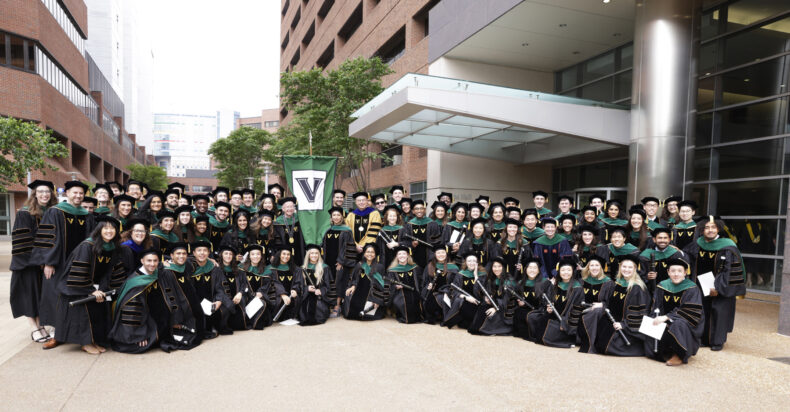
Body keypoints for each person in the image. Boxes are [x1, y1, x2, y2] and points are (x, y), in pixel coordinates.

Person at [31, 180, 95, 350]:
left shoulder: (86, 214)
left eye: (81, 193)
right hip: (58, 264)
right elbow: (47, 237)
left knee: (76, 298)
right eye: (75, 192)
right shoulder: (55, 212)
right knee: (55, 297)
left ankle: (74, 333)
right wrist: (48, 262)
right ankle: (57, 335)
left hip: (79, 264)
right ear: (67, 193)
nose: (78, 196)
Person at [52, 216, 127, 354]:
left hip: (97, 287)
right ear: (99, 229)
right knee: (85, 314)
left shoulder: (113, 248)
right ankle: (86, 343)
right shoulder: (88, 246)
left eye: (112, 228)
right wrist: (91, 290)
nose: (109, 231)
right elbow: (80, 270)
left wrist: (108, 289)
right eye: (106, 228)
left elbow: (113, 270)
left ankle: (94, 341)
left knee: (97, 313)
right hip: (79, 287)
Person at [109, 248, 199, 353]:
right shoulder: (136, 284)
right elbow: (132, 313)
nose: (152, 264)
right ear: (142, 261)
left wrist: (174, 319)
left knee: (189, 332)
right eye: (149, 261)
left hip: (157, 317)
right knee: (147, 343)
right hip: (143, 321)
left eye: (155, 261)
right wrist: (138, 336)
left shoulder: (157, 273)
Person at [683, 216, 745, 351]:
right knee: (702, 311)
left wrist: (718, 287)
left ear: (718, 229)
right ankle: (703, 339)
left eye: (713, 227)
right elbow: (687, 260)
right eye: (707, 227)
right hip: (699, 286)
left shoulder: (728, 247)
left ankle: (717, 341)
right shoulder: (697, 244)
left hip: (719, 288)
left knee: (719, 312)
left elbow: (730, 270)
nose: (710, 230)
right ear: (701, 230)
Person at [10, 180, 57, 343]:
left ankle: (41, 326)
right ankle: (34, 327)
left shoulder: (52, 212)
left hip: (44, 264)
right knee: (29, 296)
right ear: (35, 194)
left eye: (48, 191)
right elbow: (23, 242)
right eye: (41, 191)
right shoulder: (25, 213)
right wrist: (41, 261)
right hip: (28, 264)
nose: (45, 194)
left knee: (39, 296)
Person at [578, 255, 650, 356]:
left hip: (627, 327)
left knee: (606, 347)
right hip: (611, 321)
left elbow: (640, 313)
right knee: (599, 344)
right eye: (624, 267)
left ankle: (639, 348)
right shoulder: (617, 283)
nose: (626, 270)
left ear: (635, 269)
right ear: (620, 268)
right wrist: (602, 304)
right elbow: (610, 302)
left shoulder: (637, 288)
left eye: (630, 267)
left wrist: (624, 325)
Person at [647, 258, 704, 366]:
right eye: (673, 271)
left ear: (685, 273)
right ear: (668, 272)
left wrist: (667, 317)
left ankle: (680, 354)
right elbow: (656, 306)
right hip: (665, 322)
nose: (676, 274)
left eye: (679, 271)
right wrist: (656, 317)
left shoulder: (692, 288)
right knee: (652, 321)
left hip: (684, 327)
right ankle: (662, 351)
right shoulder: (662, 286)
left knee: (678, 323)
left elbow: (690, 311)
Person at [526, 257, 584, 348]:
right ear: (559, 272)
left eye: (568, 270)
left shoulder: (577, 288)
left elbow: (577, 310)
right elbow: (549, 301)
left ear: (573, 271)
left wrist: (565, 322)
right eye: (563, 270)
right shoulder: (556, 285)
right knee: (533, 317)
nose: (566, 272)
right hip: (554, 315)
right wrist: (549, 308)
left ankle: (569, 339)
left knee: (545, 335)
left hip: (566, 320)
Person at [161, 242, 204, 347]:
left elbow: (199, 260)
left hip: (191, 303)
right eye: (178, 253)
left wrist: (212, 260)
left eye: (184, 253)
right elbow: (169, 295)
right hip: (180, 307)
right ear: (171, 256)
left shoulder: (187, 265)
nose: (181, 256)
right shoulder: (167, 272)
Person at [321, 206, 357, 317]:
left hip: (341, 262)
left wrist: (341, 261)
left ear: (342, 217)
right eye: (334, 215)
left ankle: (337, 306)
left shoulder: (346, 230)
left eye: (338, 215)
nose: (336, 217)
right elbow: (323, 246)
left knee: (340, 282)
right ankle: (330, 304)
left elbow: (349, 247)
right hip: (328, 261)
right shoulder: (328, 230)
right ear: (331, 217)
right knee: (330, 282)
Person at [187, 240, 226, 339]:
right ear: (194, 253)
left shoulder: (214, 268)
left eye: (205, 250)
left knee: (222, 311)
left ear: (209, 253)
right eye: (199, 250)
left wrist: (219, 300)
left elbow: (220, 287)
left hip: (211, 300)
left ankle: (212, 326)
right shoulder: (188, 266)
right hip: (194, 301)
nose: (202, 253)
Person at [467, 256, 512, 336]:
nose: (496, 269)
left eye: (499, 266)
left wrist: (496, 308)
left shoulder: (509, 281)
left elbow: (507, 300)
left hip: (505, 308)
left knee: (483, 328)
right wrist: (476, 277)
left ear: (503, 268)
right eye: (494, 266)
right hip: (494, 304)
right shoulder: (491, 279)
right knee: (481, 310)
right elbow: (479, 292)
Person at [343, 243, 387, 320]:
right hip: (359, 291)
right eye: (367, 252)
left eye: (372, 252)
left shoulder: (379, 267)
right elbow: (354, 278)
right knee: (349, 298)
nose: (370, 254)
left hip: (372, 294)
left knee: (367, 314)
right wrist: (353, 286)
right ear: (364, 253)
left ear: (375, 254)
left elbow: (381, 285)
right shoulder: (360, 265)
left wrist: (377, 300)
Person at [443, 252, 485, 330]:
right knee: (460, 302)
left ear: (477, 263)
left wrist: (476, 276)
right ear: (466, 262)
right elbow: (454, 291)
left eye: (474, 261)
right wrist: (466, 297)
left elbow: (483, 292)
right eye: (469, 261)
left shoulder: (483, 275)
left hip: (478, 302)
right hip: (465, 301)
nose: (471, 263)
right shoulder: (460, 274)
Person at [639, 227, 686, 294]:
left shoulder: (676, 254)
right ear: (654, 239)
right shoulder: (645, 255)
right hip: (650, 291)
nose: (662, 240)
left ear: (669, 240)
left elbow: (683, 275)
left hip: (671, 290)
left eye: (665, 238)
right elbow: (640, 274)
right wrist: (647, 277)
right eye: (660, 238)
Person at [512, 257, 549, 341]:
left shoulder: (545, 283)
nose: (532, 270)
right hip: (525, 309)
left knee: (530, 316)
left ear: (539, 270)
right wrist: (520, 303)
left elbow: (547, 301)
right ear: (525, 269)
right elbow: (516, 298)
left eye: (535, 268)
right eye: (530, 268)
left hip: (539, 310)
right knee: (519, 312)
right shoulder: (521, 282)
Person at [420, 245, 459, 325]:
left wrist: (449, 290)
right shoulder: (430, 266)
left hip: (447, 292)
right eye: (438, 253)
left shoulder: (453, 267)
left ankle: (443, 316)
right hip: (433, 291)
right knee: (429, 302)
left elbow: (457, 283)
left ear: (446, 254)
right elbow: (424, 281)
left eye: (443, 252)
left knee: (441, 299)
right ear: (435, 254)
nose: (441, 255)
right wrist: (428, 285)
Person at [215, 245, 250, 331]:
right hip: (224, 300)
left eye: (230, 254)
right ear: (221, 255)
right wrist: (226, 300)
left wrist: (240, 293)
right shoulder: (216, 270)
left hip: (237, 299)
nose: (228, 256)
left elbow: (244, 284)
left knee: (240, 323)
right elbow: (217, 288)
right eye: (226, 253)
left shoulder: (238, 270)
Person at [296, 244, 332, 326]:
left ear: (319, 255)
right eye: (312, 253)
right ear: (308, 255)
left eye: (316, 253)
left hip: (319, 296)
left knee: (318, 309)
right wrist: (307, 288)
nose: (314, 255)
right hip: (306, 295)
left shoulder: (325, 268)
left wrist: (321, 290)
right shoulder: (302, 268)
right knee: (304, 309)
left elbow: (328, 285)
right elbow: (298, 285)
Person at [386, 246, 423, 324]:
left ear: (407, 256)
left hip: (415, 292)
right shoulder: (392, 270)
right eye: (399, 254)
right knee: (402, 302)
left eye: (404, 254)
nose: (402, 256)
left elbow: (421, 282)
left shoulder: (415, 268)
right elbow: (388, 284)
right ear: (397, 256)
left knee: (416, 300)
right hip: (399, 293)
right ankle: (403, 317)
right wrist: (395, 286)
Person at [400, 199, 441, 268]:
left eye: (421, 208)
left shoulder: (432, 224)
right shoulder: (409, 225)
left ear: (424, 210)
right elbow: (405, 241)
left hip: (429, 257)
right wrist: (412, 243)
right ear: (413, 211)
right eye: (416, 209)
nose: (419, 210)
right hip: (413, 257)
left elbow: (438, 241)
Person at [244, 244, 276, 330]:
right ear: (249, 256)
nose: (255, 256)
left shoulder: (266, 271)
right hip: (246, 298)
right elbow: (240, 285)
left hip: (260, 297)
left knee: (262, 303)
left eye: (258, 254)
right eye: (253, 254)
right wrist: (251, 295)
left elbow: (267, 285)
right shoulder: (242, 269)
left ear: (261, 256)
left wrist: (261, 292)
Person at [267, 248, 301, 322]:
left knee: (297, 299)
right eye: (284, 254)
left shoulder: (296, 269)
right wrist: (282, 294)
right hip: (277, 294)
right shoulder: (270, 268)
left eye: (288, 254)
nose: (286, 256)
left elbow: (298, 282)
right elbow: (272, 283)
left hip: (291, 295)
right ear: (279, 255)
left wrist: (295, 289)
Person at [345, 192, 381, 258]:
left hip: (369, 249)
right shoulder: (351, 215)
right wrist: (355, 246)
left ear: (367, 201)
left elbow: (373, 232)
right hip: (353, 249)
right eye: (359, 200)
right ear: (355, 202)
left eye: (363, 200)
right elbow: (348, 233)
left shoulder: (375, 213)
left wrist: (364, 246)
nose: (361, 202)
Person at [273, 197, 305, 266]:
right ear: (283, 209)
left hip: (298, 249)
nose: (290, 209)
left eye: (291, 207)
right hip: (284, 251)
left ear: (294, 208)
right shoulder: (278, 221)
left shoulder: (299, 218)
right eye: (287, 207)